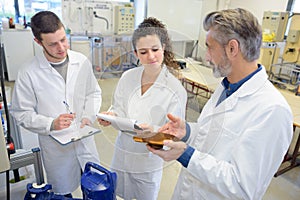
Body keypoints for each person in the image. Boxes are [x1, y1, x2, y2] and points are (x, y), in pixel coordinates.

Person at [148, 8, 294, 200]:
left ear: (232, 48)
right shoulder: (226, 87)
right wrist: (187, 132)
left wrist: (187, 155)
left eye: (210, 47)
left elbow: (243, 186)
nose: (207, 57)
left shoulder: (272, 111)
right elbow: (215, 136)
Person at [11, 11, 102, 196]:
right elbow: (21, 112)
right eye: (53, 44)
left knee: (94, 187)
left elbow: (93, 93)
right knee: (62, 191)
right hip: (56, 146)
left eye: (63, 39)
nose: (61, 48)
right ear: (38, 42)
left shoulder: (81, 61)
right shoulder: (28, 72)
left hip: (84, 138)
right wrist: (50, 123)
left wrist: (87, 116)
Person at [98, 17, 187, 200]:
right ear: (136, 53)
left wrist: (153, 131)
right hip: (122, 153)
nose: (151, 56)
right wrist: (111, 116)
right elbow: (119, 109)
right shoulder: (128, 77)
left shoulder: (175, 88)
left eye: (155, 49)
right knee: (117, 194)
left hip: (148, 160)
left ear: (164, 47)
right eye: (143, 52)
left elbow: (174, 134)